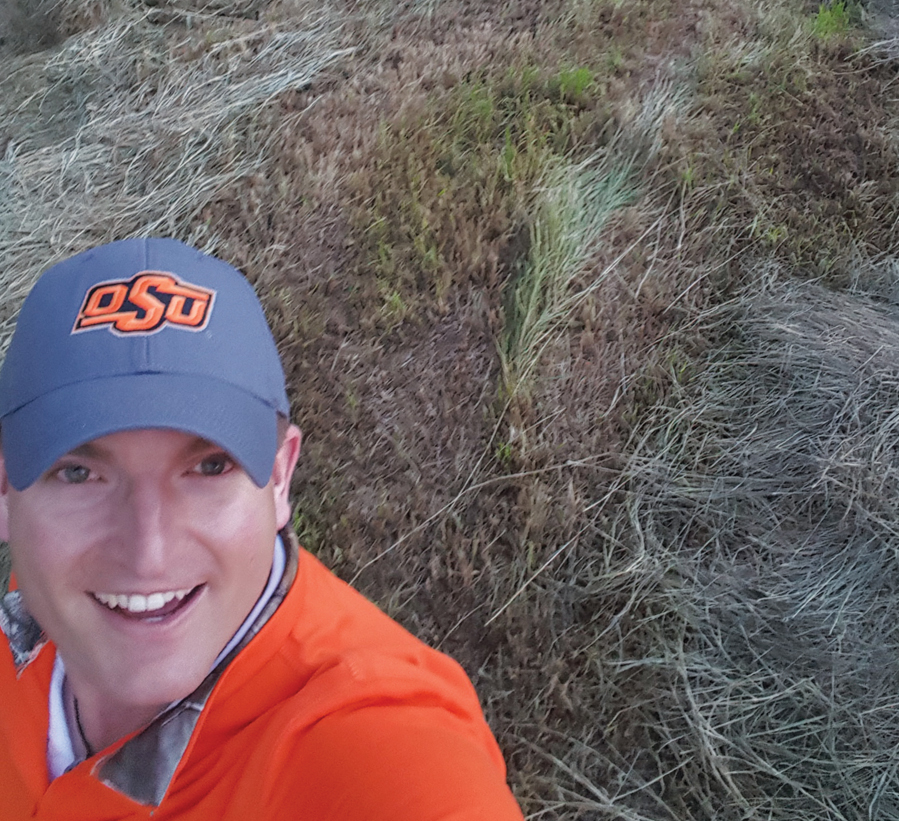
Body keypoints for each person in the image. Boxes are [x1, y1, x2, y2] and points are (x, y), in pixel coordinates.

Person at [0, 238, 524, 821]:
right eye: (78, 474)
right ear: (5, 491)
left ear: (280, 479)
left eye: (209, 466)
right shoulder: (37, 599)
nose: (147, 553)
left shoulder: (370, 745)